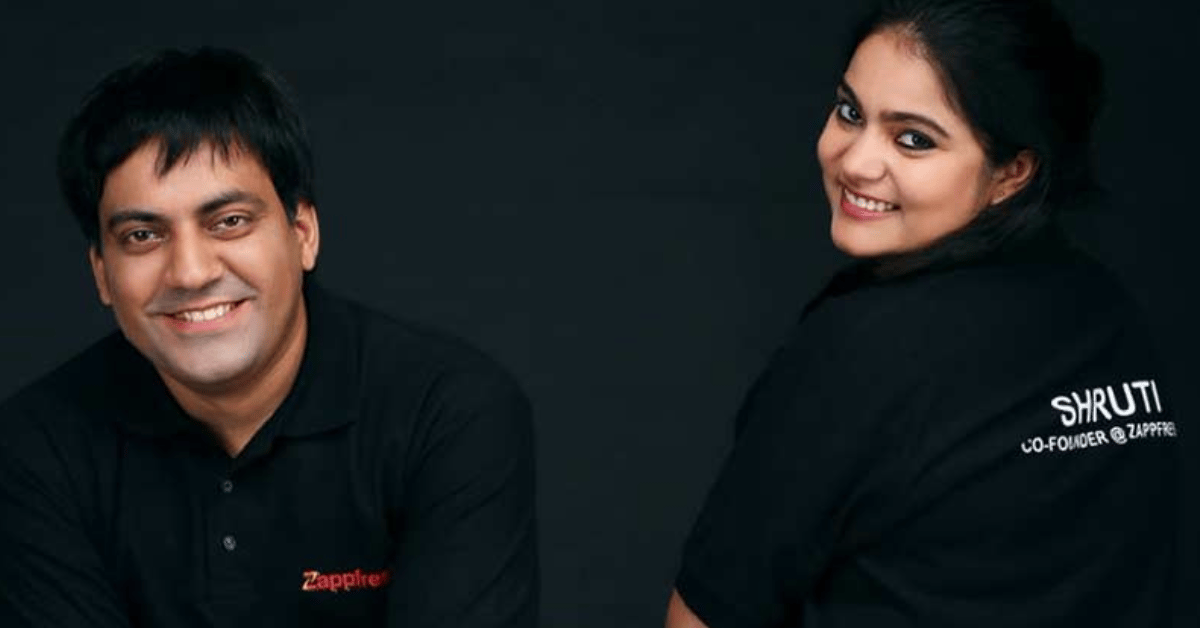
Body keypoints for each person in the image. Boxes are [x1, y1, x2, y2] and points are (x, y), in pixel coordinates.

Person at [666, 0, 1179, 626]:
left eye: (913, 139)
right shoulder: (1108, 308)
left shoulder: (860, 351)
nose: (856, 162)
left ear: (1011, 173)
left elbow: (708, 613)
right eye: (850, 112)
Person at [0, 48, 537, 627]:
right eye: (142, 235)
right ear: (103, 273)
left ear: (302, 233)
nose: (190, 273)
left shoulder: (447, 412)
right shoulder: (34, 449)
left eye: (229, 221)